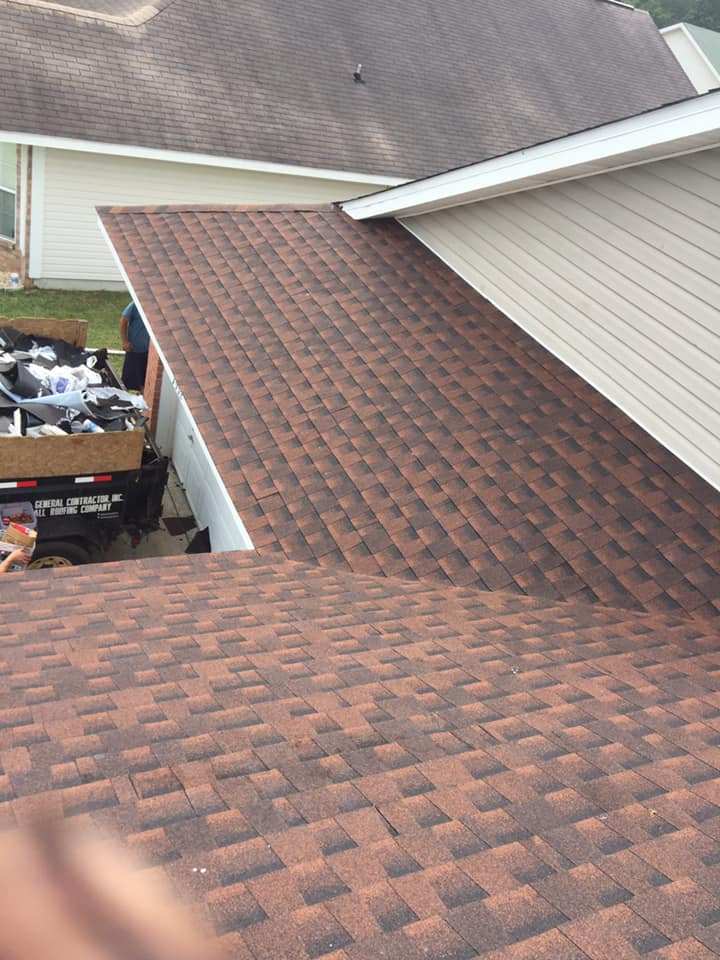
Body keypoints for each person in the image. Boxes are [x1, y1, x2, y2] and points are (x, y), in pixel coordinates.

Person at [119, 300, 150, 391]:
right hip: (135, 349)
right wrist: (125, 341)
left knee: (145, 381)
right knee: (127, 382)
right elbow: (123, 321)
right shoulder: (135, 304)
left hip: (150, 351)